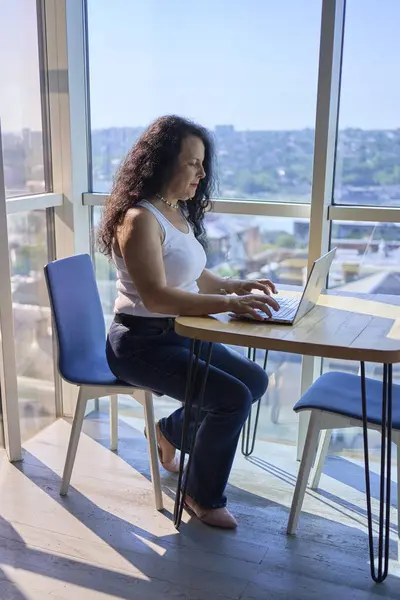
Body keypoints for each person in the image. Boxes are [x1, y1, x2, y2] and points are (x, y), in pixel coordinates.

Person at [99, 115, 279, 529]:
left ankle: (168, 432)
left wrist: (237, 287)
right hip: (141, 344)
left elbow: (196, 276)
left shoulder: (174, 211)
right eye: (192, 162)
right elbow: (157, 296)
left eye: (202, 163)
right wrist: (227, 304)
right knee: (229, 398)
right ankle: (200, 495)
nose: (202, 172)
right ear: (162, 163)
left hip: (178, 334)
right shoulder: (139, 219)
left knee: (254, 381)